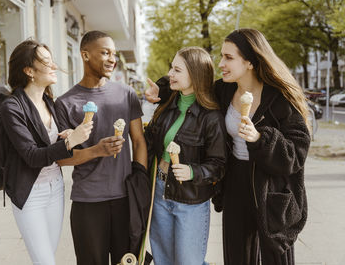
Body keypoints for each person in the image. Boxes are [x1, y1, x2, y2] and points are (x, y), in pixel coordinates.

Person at [146, 28, 311, 265]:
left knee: (278, 258)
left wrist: (260, 139)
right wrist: (162, 90)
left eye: (229, 57)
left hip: (272, 189)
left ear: (250, 62)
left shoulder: (279, 99)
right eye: (222, 56)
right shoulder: (224, 90)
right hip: (235, 183)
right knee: (238, 257)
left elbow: (297, 154)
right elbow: (194, 81)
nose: (221, 63)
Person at [55, 30, 147, 265]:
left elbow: (138, 141)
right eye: (105, 53)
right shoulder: (65, 103)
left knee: (127, 262)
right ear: (85, 55)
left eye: (114, 54)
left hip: (125, 199)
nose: (112, 59)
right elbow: (62, 159)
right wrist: (98, 150)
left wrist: (140, 181)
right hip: (88, 202)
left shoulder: (126, 94)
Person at [0, 40, 93, 265]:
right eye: (46, 62)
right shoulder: (11, 107)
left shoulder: (50, 103)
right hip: (30, 193)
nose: (54, 67)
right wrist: (70, 143)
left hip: (55, 190)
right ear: (29, 71)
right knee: (45, 262)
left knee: (47, 256)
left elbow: (58, 148)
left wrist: (70, 135)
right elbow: (31, 156)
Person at [144, 46, 227, 265]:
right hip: (160, 193)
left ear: (195, 74)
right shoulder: (167, 105)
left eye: (177, 70)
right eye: (172, 68)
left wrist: (192, 171)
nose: (170, 74)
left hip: (191, 201)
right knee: (163, 261)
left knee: (189, 262)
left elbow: (218, 164)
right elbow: (150, 142)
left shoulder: (212, 117)